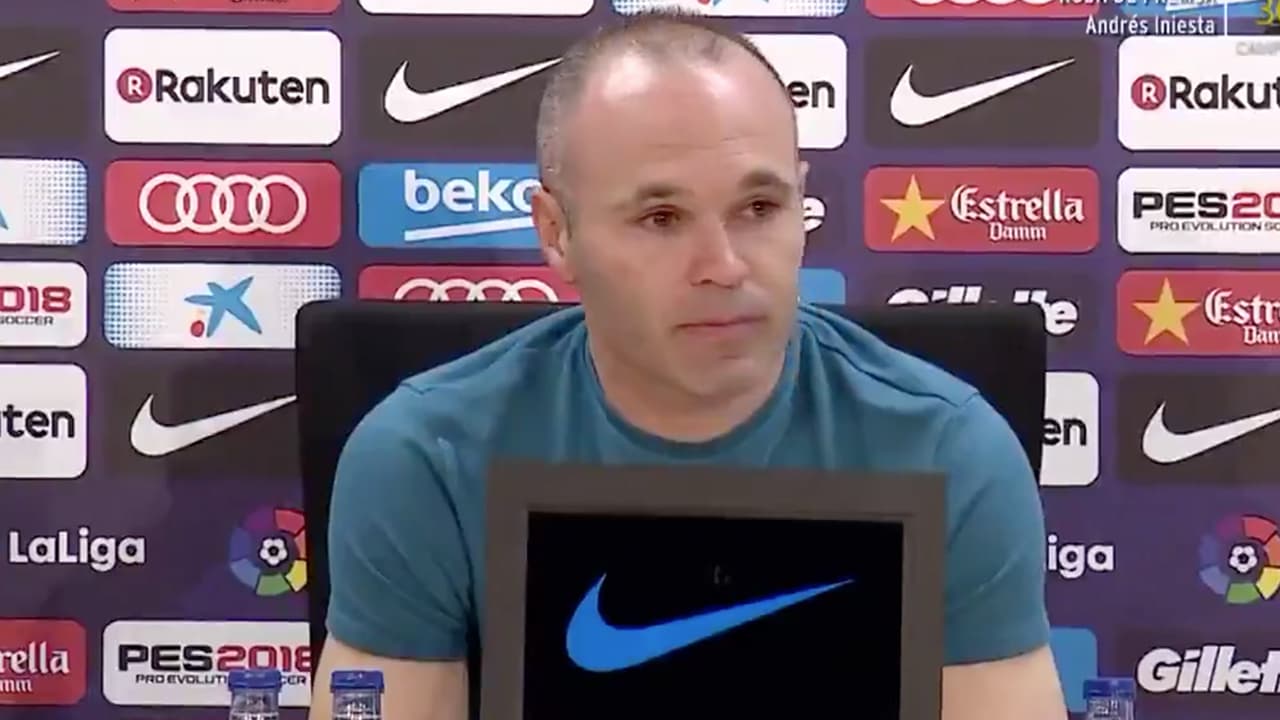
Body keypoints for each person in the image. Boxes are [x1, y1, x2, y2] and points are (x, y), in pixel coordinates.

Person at [310, 9, 1067, 720]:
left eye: (759, 208)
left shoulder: (950, 450)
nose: (724, 265)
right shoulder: (425, 458)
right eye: (662, 218)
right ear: (557, 232)